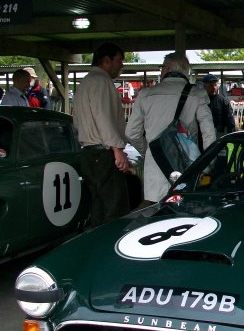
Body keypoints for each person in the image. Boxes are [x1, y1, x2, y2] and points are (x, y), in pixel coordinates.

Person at [126, 53, 216, 204]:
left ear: (166, 69)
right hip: (186, 166)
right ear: (185, 71)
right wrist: (206, 166)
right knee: (183, 214)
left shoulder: (146, 94)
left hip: (155, 169)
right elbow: (209, 134)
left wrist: (149, 151)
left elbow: (131, 133)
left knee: (156, 213)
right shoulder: (197, 94)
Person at [72, 42, 131, 227]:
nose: (121, 65)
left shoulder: (85, 82)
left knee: (97, 207)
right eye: (119, 60)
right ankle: (111, 249)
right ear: (107, 60)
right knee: (114, 209)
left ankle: (96, 248)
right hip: (103, 152)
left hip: (89, 153)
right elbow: (103, 117)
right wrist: (116, 149)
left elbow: (76, 121)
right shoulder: (101, 81)